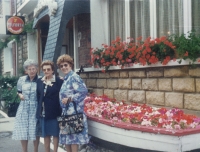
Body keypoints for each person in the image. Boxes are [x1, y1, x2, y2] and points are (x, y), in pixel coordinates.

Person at [57, 54, 89, 152]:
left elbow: (83, 91)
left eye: (65, 65)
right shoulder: (66, 78)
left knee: (73, 139)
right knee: (67, 139)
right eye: (61, 66)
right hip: (66, 113)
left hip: (73, 113)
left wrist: (70, 98)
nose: (63, 67)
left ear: (70, 65)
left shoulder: (74, 77)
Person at [12, 59, 40, 152]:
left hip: (35, 107)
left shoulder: (40, 80)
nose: (31, 71)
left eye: (33, 68)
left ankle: (35, 150)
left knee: (35, 130)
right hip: (23, 107)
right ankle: (25, 150)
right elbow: (19, 91)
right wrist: (20, 95)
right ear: (26, 70)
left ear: (36, 69)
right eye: (29, 69)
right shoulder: (22, 79)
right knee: (23, 130)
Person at [36, 60, 63, 152]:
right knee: (46, 134)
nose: (46, 71)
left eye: (48, 69)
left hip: (54, 111)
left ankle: (55, 150)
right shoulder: (40, 81)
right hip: (43, 112)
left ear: (52, 70)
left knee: (55, 133)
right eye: (44, 70)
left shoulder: (59, 81)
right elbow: (38, 96)